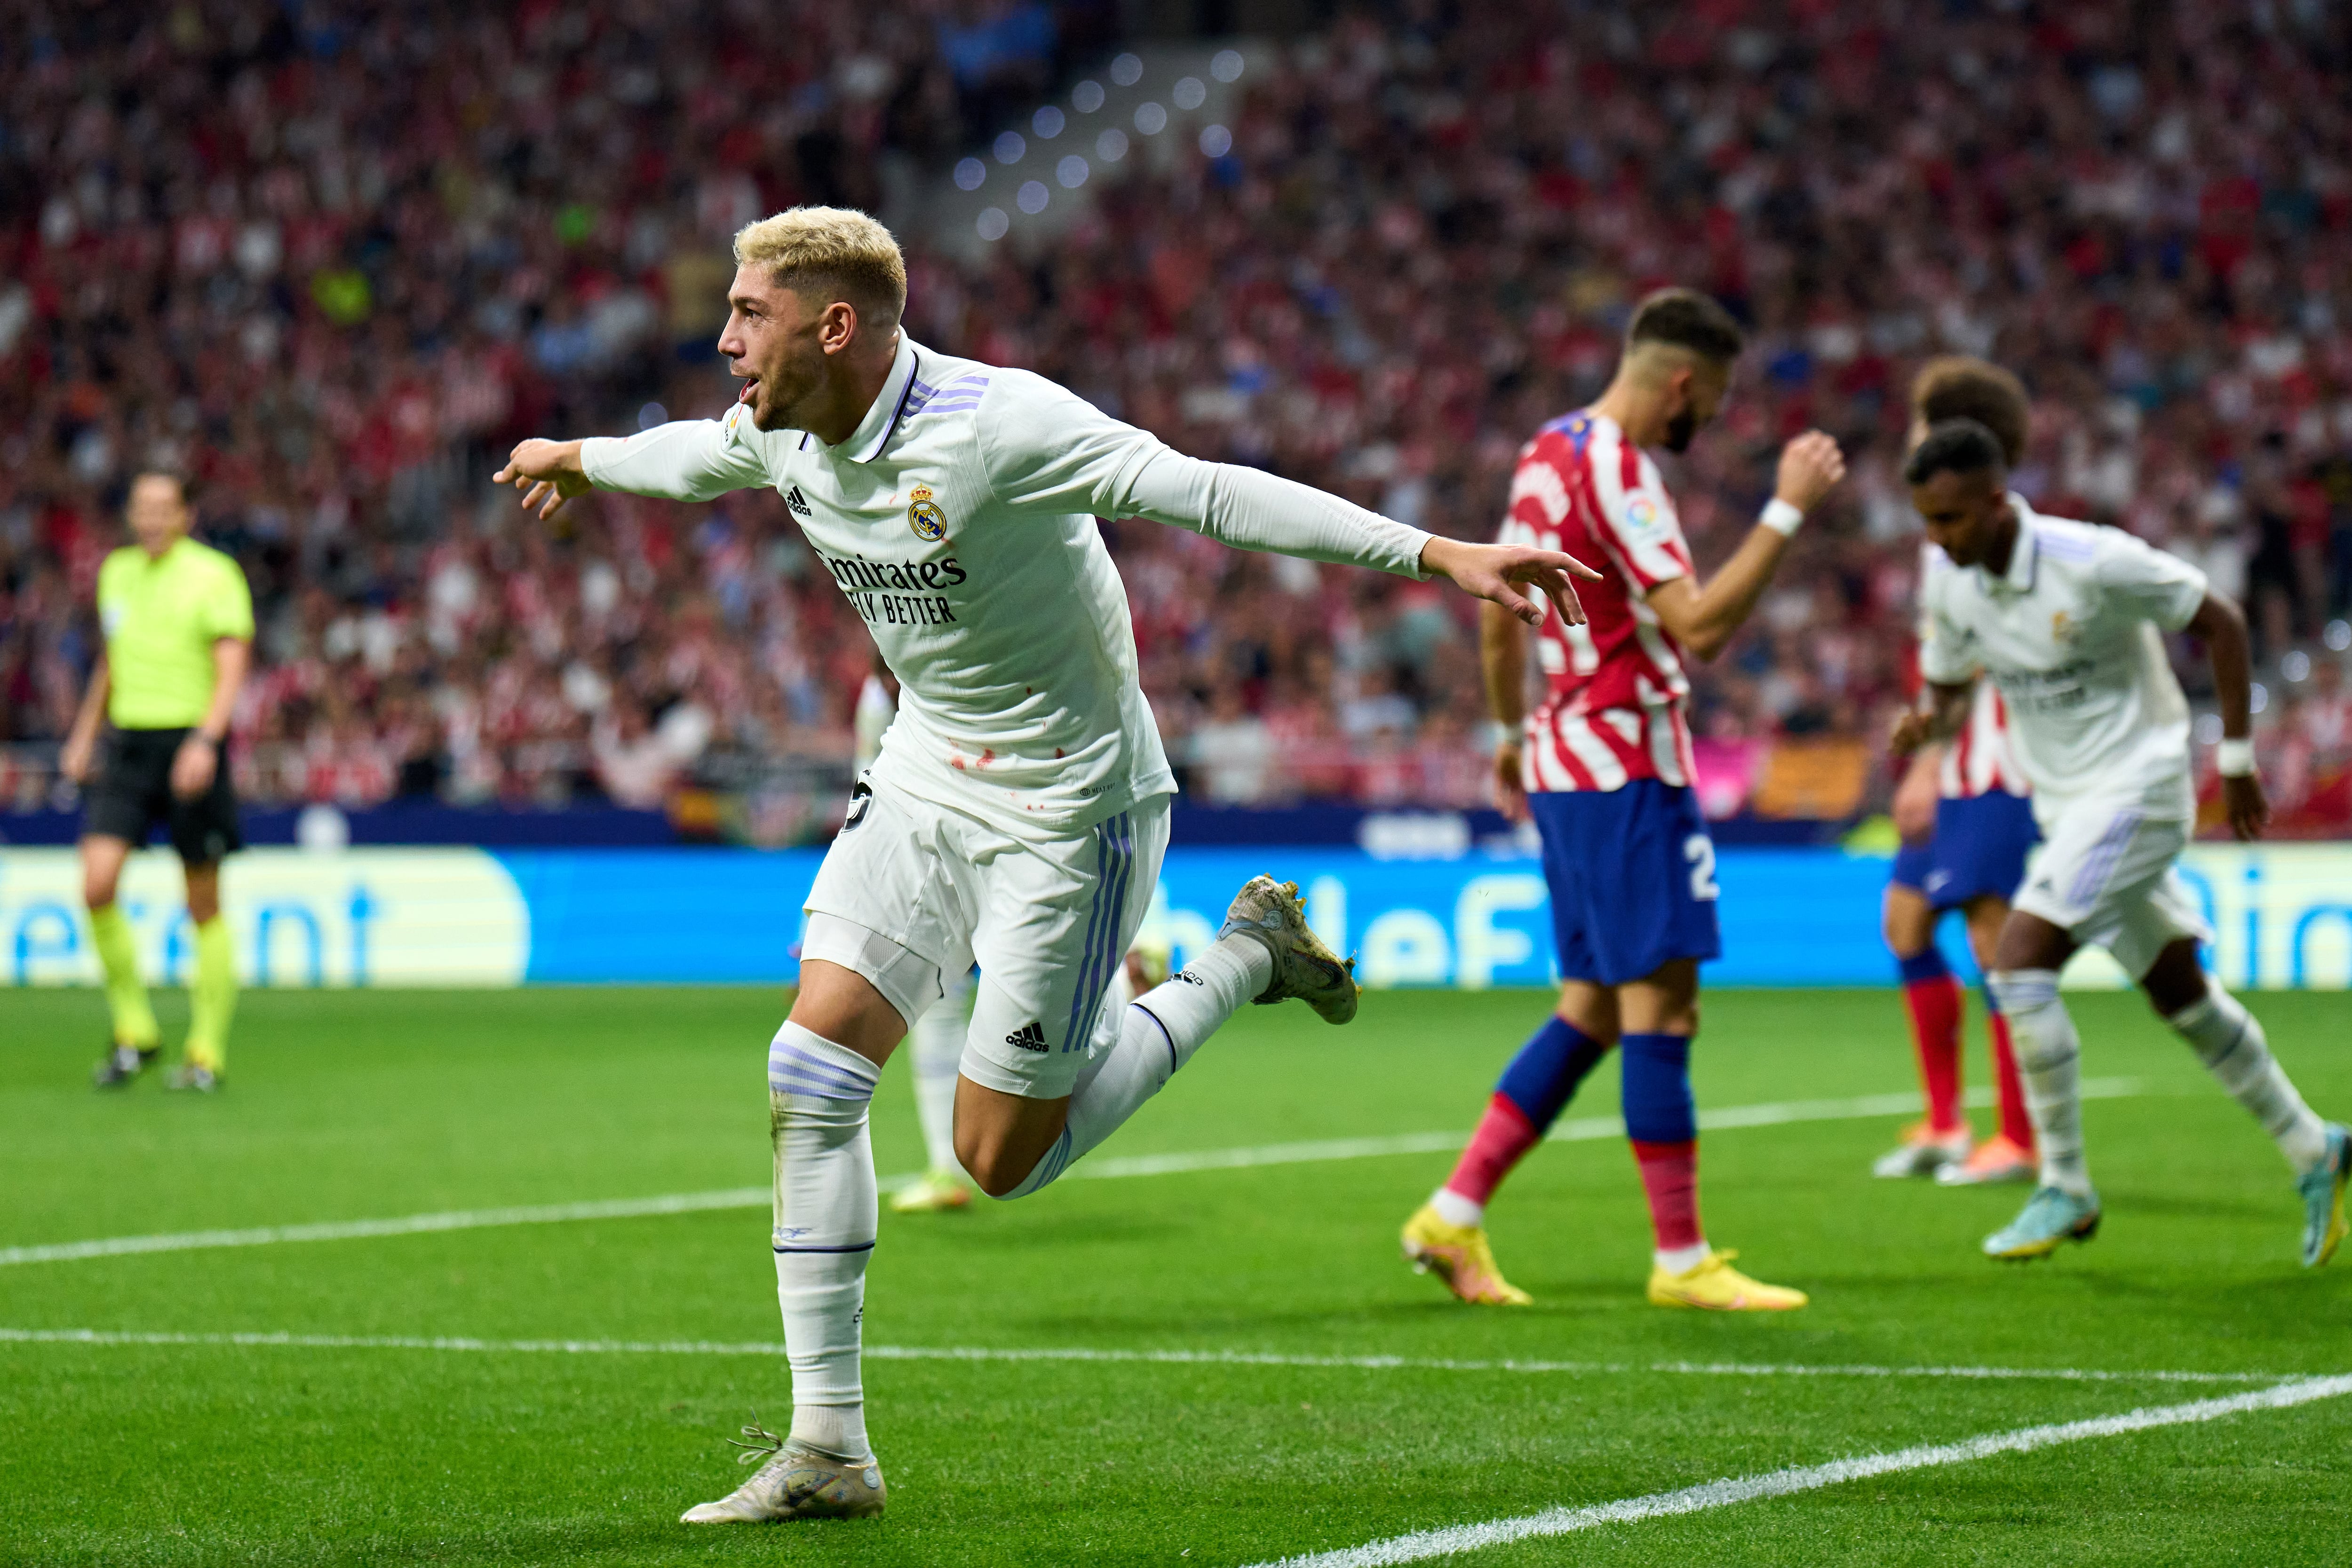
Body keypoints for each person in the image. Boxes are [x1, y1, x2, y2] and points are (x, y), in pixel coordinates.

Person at [491, 206, 1597, 1523]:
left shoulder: (999, 424)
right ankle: (829, 1446)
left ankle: (1246, 954)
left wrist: (1440, 552)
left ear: (834, 326)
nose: (724, 337)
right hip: (920, 775)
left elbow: (1210, 490)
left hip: (1074, 809)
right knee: (810, 1065)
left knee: (998, 1157)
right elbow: (690, 460)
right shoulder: (781, 429)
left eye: (750, 314)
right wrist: (585, 456)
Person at [1400, 289, 1845, 1313]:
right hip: (1625, 763)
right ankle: (1681, 1257)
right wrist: (1787, 509)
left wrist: (1512, 735)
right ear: (1680, 382)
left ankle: (1451, 1213)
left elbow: (1501, 616)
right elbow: (1697, 625)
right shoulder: (1621, 467)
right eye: (1715, 399)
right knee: (1662, 1003)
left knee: (1593, 1006)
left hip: (1561, 756)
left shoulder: (1542, 453)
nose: (1713, 421)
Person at [1892, 419, 2348, 1265]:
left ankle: (2063, 1182)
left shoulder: (2092, 559)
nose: (1936, 538)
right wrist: (1930, 723)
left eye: (1949, 518)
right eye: (1925, 520)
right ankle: (2315, 1145)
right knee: (2182, 995)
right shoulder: (1954, 586)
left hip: (2140, 787)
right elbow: (1952, 691)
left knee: (2020, 960)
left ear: (1997, 500)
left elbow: (2223, 621)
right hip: (2069, 808)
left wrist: (2240, 761)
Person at [1875, 358, 2042, 1187]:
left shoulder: (1973, 529)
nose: (1906, 432)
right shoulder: (1940, 526)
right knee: (1906, 924)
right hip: (1958, 755)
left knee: (1995, 940)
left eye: (1917, 418)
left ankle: (2020, 1138)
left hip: (1993, 761)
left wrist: (1927, 764)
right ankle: (1946, 1123)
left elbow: (1976, 656)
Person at [59, 472, 253, 1093]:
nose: (150, 519)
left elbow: (231, 666)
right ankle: (134, 1030)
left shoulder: (214, 575)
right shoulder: (117, 572)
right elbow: (113, 662)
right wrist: (85, 734)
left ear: (186, 514)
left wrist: (206, 739)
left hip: (189, 741)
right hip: (129, 745)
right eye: (141, 507)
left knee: (202, 899)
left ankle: (206, 1051)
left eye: (163, 508)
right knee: (96, 883)